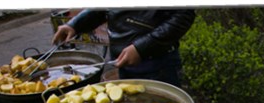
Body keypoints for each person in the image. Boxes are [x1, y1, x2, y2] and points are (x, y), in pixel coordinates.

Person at [52, 9, 195, 87]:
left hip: (158, 63)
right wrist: (75, 24)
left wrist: (141, 48)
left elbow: (184, 15)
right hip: (123, 62)